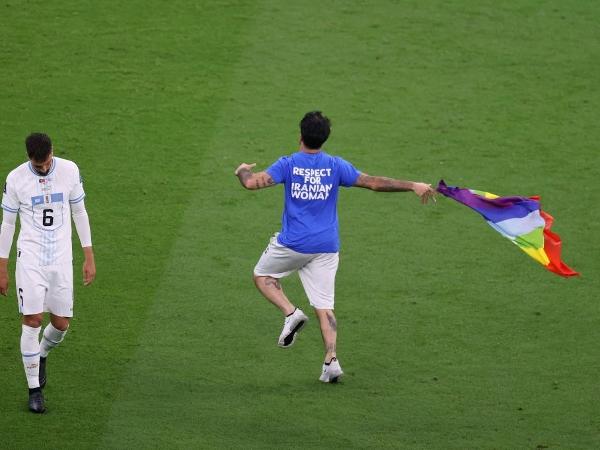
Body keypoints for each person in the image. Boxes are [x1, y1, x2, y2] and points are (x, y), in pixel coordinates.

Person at [235, 111, 435, 383]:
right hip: (327, 246)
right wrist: (413, 185)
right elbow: (374, 183)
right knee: (325, 306)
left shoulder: (289, 164)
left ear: (300, 136)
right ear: (324, 139)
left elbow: (250, 183)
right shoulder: (335, 166)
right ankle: (331, 361)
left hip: (293, 244)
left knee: (262, 276)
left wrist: (243, 169)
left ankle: (291, 313)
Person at [0, 133, 96, 413]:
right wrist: (2, 266)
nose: (43, 169)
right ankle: (34, 390)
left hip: (61, 259)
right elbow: (7, 224)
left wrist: (88, 255)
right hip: (29, 258)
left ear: (52, 152)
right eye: (37, 165)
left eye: (47, 163)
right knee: (32, 320)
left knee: (62, 323)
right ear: (29, 157)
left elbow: (79, 211)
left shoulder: (70, 170)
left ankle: (41, 354)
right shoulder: (16, 179)